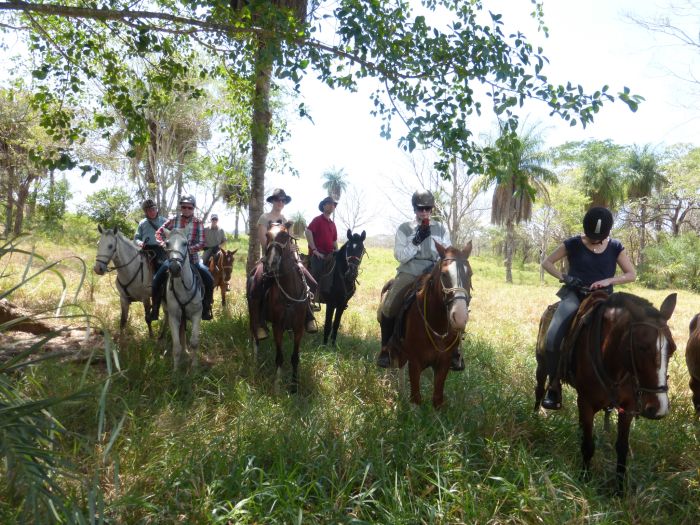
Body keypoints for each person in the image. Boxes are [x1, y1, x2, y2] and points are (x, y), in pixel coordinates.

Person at [540, 206, 636, 410]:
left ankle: (621, 388)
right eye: (591, 236)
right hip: (575, 295)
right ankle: (554, 385)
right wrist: (565, 277)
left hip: (603, 298)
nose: (594, 240)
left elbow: (631, 274)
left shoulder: (616, 247)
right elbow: (547, 263)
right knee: (553, 336)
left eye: (598, 237)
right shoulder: (573, 244)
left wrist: (608, 280)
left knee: (626, 335)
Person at [376, 189, 464, 371]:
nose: (424, 212)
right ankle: (386, 348)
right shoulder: (404, 228)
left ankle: (455, 350)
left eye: (428, 208)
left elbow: (446, 252)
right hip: (410, 269)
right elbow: (400, 255)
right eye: (420, 208)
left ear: (432, 209)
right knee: (389, 306)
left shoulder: (440, 228)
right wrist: (416, 241)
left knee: (455, 299)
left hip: (433, 269)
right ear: (414, 208)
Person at [248, 188, 318, 339]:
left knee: (310, 281)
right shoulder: (264, 218)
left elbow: (290, 240)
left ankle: (308, 316)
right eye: (278, 199)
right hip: (270, 257)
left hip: (287, 258)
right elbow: (263, 241)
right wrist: (271, 253)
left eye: (283, 200)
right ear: (272, 201)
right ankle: (260, 322)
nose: (280, 202)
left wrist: (293, 247)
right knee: (257, 285)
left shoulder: (286, 220)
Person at [150, 194, 215, 321]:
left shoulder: (198, 223)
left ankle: (206, 308)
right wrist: (164, 245)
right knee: (156, 279)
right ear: (181, 208)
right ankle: (156, 308)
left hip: (193, 260)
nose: (186, 209)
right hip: (174, 259)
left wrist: (187, 250)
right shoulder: (173, 220)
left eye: (189, 208)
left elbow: (201, 243)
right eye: (184, 207)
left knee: (209, 279)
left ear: (193, 209)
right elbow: (158, 233)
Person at [305, 196, 338, 302]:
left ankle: (334, 297)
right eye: (329, 204)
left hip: (330, 254)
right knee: (316, 274)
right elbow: (308, 232)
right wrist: (314, 250)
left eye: (333, 204)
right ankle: (310, 298)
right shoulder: (318, 220)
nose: (332, 206)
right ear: (324, 206)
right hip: (318, 254)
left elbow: (334, 241)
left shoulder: (333, 224)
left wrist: (337, 252)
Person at [134, 199, 167, 272]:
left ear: (156, 209)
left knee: (161, 267)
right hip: (145, 249)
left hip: (160, 249)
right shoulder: (142, 223)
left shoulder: (164, 221)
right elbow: (136, 238)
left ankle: (161, 283)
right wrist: (140, 243)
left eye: (153, 209)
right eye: (149, 210)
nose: (152, 212)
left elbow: (171, 236)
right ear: (146, 212)